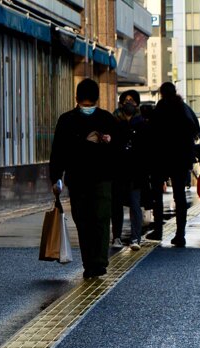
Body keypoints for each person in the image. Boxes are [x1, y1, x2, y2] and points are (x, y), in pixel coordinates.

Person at [49, 78, 117, 279]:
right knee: (101, 221)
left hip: (77, 179)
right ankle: (99, 261)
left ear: (76, 96)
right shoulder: (107, 119)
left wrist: (56, 178)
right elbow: (118, 150)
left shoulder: (66, 120)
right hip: (102, 179)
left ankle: (90, 263)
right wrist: (107, 142)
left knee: (84, 221)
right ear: (97, 97)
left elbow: (58, 152)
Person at [149, 82, 199, 246]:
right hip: (180, 159)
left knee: (157, 194)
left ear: (162, 93)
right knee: (180, 196)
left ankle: (158, 230)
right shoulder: (183, 108)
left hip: (160, 158)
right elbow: (195, 129)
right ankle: (180, 234)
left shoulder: (160, 109)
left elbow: (152, 133)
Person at [111, 89, 146, 251]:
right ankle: (116, 236)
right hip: (117, 169)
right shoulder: (114, 122)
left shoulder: (142, 123)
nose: (129, 103)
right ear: (121, 102)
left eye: (132, 100)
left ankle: (135, 238)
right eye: (126, 100)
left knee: (135, 204)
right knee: (116, 205)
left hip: (135, 171)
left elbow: (148, 150)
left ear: (137, 103)